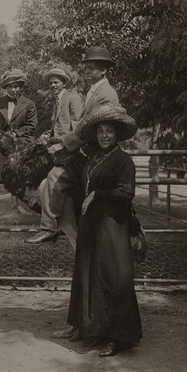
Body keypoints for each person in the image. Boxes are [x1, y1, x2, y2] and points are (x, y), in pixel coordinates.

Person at [53, 104, 142, 357]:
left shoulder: (123, 161)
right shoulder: (93, 158)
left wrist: (96, 194)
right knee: (87, 275)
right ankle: (87, 329)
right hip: (91, 225)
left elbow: (127, 193)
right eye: (101, 131)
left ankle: (118, 337)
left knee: (114, 278)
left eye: (109, 131)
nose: (104, 135)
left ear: (117, 134)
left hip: (113, 226)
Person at [26, 46, 120, 244]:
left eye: (91, 68)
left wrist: (62, 145)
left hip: (94, 153)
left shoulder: (106, 94)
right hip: (86, 150)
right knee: (45, 181)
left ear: (103, 70)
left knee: (54, 175)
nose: (85, 72)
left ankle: (48, 227)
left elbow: (87, 129)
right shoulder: (94, 92)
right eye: (85, 68)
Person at [25, 67, 83, 243]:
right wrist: (47, 135)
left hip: (73, 152)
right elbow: (58, 128)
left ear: (64, 83)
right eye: (50, 83)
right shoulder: (57, 102)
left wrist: (60, 144)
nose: (53, 85)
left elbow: (79, 130)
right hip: (60, 150)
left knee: (52, 178)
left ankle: (48, 227)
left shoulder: (73, 98)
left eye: (56, 82)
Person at [0, 69, 38, 181]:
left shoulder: (29, 104)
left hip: (22, 139)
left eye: (16, 86)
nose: (13, 90)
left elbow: (32, 126)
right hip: (3, 138)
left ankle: (20, 181)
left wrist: (15, 134)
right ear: (6, 87)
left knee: (23, 155)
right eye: (10, 87)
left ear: (20, 87)